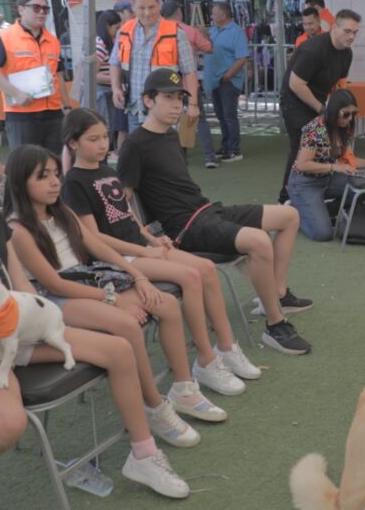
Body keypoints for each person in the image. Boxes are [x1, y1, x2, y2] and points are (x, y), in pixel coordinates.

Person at [0, 136, 191, 505]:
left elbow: (19, 285)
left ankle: (144, 454)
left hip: (15, 328)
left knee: (119, 349)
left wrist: (46, 320)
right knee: (10, 425)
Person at [4, 144, 237, 423]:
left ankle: (184, 389)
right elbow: (55, 284)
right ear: (20, 182)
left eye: (56, 173)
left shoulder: (61, 211)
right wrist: (113, 298)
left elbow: (99, 248)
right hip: (55, 297)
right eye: (42, 176)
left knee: (167, 304)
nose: (55, 182)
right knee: (125, 324)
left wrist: (137, 277)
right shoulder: (18, 229)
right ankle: (154, 406)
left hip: (87, 278)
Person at [119, 68, 314, 355]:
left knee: (289, 216)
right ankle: (275, 325)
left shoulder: (171, 136)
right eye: (168, 97)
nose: (177, 104)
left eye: (180, 98)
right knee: (259, 241)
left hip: (207, 210)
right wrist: (147, 238)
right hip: (186, 228)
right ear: (148, 100)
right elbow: (123, 202)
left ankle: (277, 294)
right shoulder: (134, 145)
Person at [62, 108, 261, 385]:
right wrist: (145, 250)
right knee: (191, 275)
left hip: (140, 248)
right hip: (118, 258)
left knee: (206, 268)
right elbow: (93, 238)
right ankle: (206, 359)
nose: (102, 144)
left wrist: (153, 239)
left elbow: (127, 215)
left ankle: (226, 347)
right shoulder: (73, 183)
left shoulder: (107, 170)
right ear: (73, 143)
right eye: (92, 139)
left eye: (104, 137)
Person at [277, 9, 361, 204]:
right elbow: (295, 84)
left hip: (319, 101)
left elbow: (340, 84)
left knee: (326, 144)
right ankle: (286, 197)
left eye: (355, 33)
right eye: (347, 31)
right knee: (301, 148)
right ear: (334, 27)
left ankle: (320, 190)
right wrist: (322, 110)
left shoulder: (346, 54)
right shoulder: (313, 49)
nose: (351, 37)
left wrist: (342, 109)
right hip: (295, 101)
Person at [0, 0, 73, 153]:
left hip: (53, 113)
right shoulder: (4, 37)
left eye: (45, 9)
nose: (42, 13)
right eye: (36, 8)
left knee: (55, 163)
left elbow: (58, 75)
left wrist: (67, 107)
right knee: (26, 165)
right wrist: (16, 93)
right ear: (21, 9)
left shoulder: (53, 40)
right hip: (22, 114)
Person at [110, 0, 199, 137]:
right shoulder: (124, 31)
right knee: (138, 156)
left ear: (159, 5)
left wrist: (193, 104)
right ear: (133, 8)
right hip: (134, 108)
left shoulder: (176, 32)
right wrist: (116, 88)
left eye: (151, 7)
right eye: (141, 8)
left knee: (165, 156)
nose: (147, 12)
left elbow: (189, 72)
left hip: (165, 109)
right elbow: (115, 63)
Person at [286, 89, 365, 241]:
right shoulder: (316, 128)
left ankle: (318, 210)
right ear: (334, 110)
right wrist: (334, 167)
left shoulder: (344, 128)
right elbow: (303, 165)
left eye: (353, 114)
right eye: (346, 114)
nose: (350, 119)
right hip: (304, 183)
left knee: (362, 189)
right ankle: (293, 212)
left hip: (327, 178)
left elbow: (351, 160)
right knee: (323, 234)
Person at [161, 1, 217, 168]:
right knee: (199, 120)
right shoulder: (189, 30)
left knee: (170, 120)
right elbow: (209, 48)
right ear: (178, 13)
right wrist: (204, 35)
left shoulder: (157, 31)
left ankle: (178, 158)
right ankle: (209, 157)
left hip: (167, 85)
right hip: (189, 82)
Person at [205, 1, 249, 163]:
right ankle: (226, 146)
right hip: (216, 80)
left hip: (228, 81)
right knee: (221, 115)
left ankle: (234, 150)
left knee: (229, 115)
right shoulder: (213, 30)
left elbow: (242, 57)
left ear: (223, 15)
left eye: (213, 13)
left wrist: (229, 75)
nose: (211, 16)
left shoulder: (236, 32)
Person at [94, 9, 124, 155]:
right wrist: (115, 78)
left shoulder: (112, 42)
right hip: (102, 93)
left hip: (110, 91)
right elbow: (91, 76)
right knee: (105, 128)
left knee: (112, 127)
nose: (119, 31)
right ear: (107, 26)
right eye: (116, 28)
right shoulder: (100, 44)